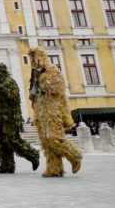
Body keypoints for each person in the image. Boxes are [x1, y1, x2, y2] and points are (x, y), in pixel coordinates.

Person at [28, 47, 82, 177]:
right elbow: (33, 93)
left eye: (36, 57)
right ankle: (54, 168)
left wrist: (42, 81)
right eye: (32, 58)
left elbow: (57, 88)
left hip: (52, 110)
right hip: (40, 111)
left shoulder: (51, 69)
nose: (34, 60)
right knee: (46, 141)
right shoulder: (34, 73)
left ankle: (74, 155)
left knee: (54, 137)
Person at [0, 63, 39, 173]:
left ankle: (32, 154)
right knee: (0, 142)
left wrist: (1, 88)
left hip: (10, 117)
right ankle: (6, 165)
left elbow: (14, 96)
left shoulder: (10, 82)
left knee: (13, 140)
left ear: (2, 72)